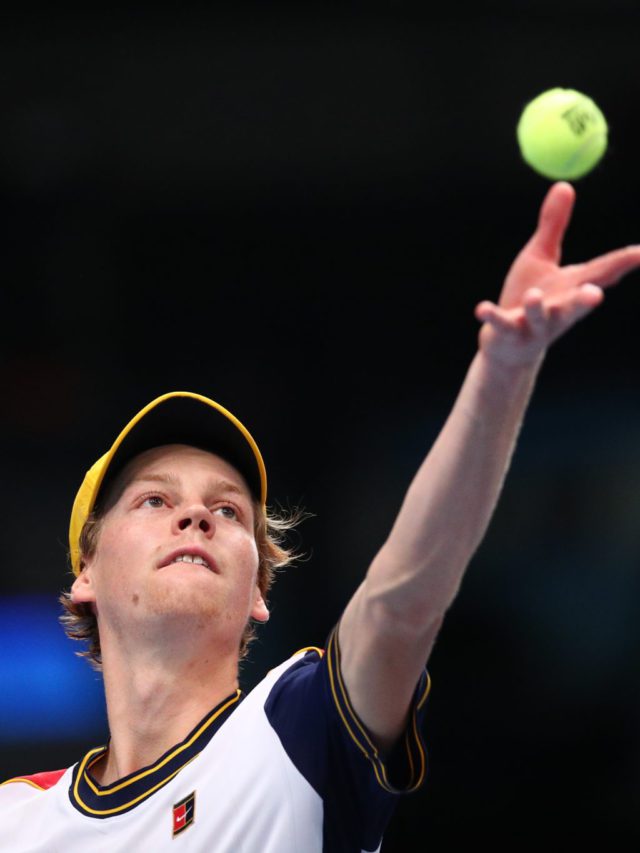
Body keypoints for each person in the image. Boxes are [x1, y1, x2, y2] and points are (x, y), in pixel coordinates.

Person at [2, 182, 639, 852]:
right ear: (86, 575)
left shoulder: (295, 729)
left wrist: (504, 368)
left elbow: (403, 600)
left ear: (258, 594)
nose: (196, 514)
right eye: (154, 499)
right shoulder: (17, 820)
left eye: (227, 508)